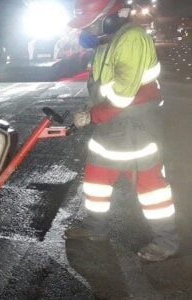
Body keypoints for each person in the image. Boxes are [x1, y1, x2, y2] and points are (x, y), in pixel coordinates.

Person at [64, 0, 179, 262]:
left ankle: (167, 241)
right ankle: (95, 228)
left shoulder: (132, 39)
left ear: (111, 17)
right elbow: (104, 86)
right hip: (110, 124)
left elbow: (123, 94)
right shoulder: (107, 40)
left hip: (136, 125)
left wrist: (91, 115)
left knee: (152, 188)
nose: (87, 30)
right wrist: (92, 111)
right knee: (95, 180)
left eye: (90, 23)